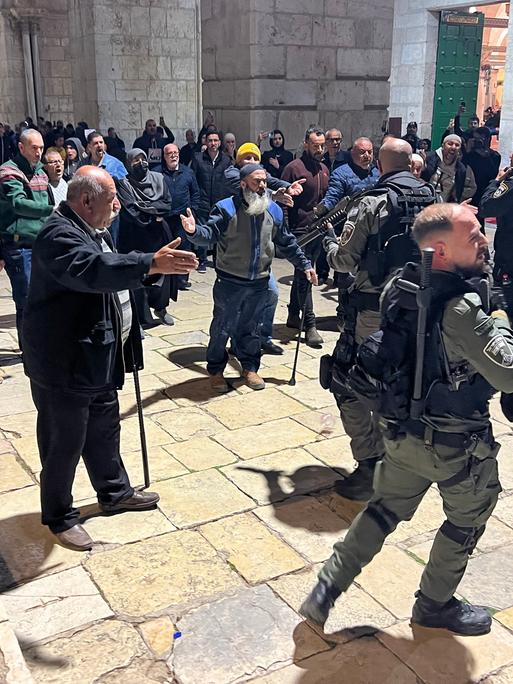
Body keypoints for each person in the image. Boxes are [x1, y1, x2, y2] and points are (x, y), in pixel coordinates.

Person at [301, 202, 506, 638]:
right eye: (473, 236)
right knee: (468, 517)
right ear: (441, 250)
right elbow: (506, 372)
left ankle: (325, 588)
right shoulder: (463, 309)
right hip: (456, 444)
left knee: (382, 511)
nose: (484, 240)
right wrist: (502, 319)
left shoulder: (402, 282)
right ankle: (435, 604)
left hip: (402, 434)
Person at [22, 166, 198, 551]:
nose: (117, 204)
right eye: (110, 198)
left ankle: (114, 493)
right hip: (64, 362)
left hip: (97, 356)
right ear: (85, 201)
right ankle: (59, 515)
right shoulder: (59, 235)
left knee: (104, 428)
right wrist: (149, 263)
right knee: (63, 441)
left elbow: (110, 276)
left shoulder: (93, 230)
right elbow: (94, 271)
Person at [323, 138, 437, 500]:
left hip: (372, 312)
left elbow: (344, 260)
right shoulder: (433, 201)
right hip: (418, 311)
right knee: (402, 384)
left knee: (347, 384)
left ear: (382, 166)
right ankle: (402, 464)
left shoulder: (372, 202)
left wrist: (328, 245)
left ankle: (371, 464)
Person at [180, 164, 317, 392]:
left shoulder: (273, 210)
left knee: (251, 328)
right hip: (230, 282)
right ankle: (215, 370)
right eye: (256, 181)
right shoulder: (225, 209)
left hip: (259, 281)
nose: (262, 185)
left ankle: (250, 367)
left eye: (264, 181)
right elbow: (209, 236)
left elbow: (287, 242)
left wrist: (304, 265)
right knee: (222, 328)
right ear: (243, 184)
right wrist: (194, 231)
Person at [224, 142, 305, 356]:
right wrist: (273, 194)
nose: (250, 161)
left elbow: (269, 181)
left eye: (254, 158)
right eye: (246, 158)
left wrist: (287, 186)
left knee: (271, 293)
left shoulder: (261, 181)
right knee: (240, 303)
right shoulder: (233, 174)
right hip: (237, 255)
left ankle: (264, 336)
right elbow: (259, 186)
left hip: (260, 256)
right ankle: (236, 341)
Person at [0, 129, 53, 340]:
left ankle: (43, 340)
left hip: (42, 243)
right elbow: (18, 204)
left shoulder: (41, 171)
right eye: (34, 148)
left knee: (45, 295)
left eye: (41, 147)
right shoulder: (8, 172)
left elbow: (47, 200)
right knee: (27, 299)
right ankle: (30, 348)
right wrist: (51, 210)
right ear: (21, 148)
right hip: (19, 246)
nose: (39, 152)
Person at [116, 149, 176, 328]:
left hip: (158, 234)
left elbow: (166, 204)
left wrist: (146, 208)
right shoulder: (123, 184)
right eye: (136, 160)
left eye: (143, 158)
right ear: (128, 163)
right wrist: (153, 213)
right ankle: (140, 319)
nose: (141, 163)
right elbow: (131, 211)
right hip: (133, 236)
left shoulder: (158, 178)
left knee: (162, 271)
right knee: (137, 275)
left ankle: (161, 308)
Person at [281, 126, 330, 347]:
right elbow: (282, 203)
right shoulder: (293, 168)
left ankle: (293, 314)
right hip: (299, 231)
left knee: (301, 274)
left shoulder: (324, 169)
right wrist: (285, 233)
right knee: (306, 277)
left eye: (322, 145)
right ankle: (310, 324)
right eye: (315, 145)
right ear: (306, 144)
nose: (319, 149)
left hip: (318, 230)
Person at [159, 142, 200, 291]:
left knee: (184, 248)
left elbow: (195, 193)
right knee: (166, 248)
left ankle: (182, 279)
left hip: (183, 218)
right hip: (165, 219)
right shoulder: (158, 173)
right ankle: (167, 279)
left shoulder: (188, 172)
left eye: (175, 153)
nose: (173, 155)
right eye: (170, 153)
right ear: (165, 156)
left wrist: (193, 212)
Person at [192, 129, 233, 272]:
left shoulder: (226, 160)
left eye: (215, 140)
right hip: (203, 202)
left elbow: (229, 182)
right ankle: (202, 260)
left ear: (220, 143)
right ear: (206, 142)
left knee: (219, 232)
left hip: (220, 202)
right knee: (204, 230)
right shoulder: (198, 159)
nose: (213, 143)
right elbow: (194, 180)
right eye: (210, 141)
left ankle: (218, 260)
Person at [480, 159, 513, 310]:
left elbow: (487, 207)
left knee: (503, 309)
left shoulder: (509, 185)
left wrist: (496, 181)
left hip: (508, 258)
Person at [422, 134, 476, 203]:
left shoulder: (461, 169)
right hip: (424, 203)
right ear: (443, 145)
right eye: (450, 144)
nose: (453, 147)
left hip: (443, 206)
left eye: (457, 145)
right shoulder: (429, 158)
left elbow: (462, 190)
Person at [463, 127, 500, 214]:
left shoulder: (494, 156)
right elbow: (461, 168)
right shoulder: (471, 154)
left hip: (483, 191)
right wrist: (467, 151)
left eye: (481, 139)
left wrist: (486, 155)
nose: (478, 142)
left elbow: (493, 174)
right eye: (476, 139)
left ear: (488, 139)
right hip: (468, 190)